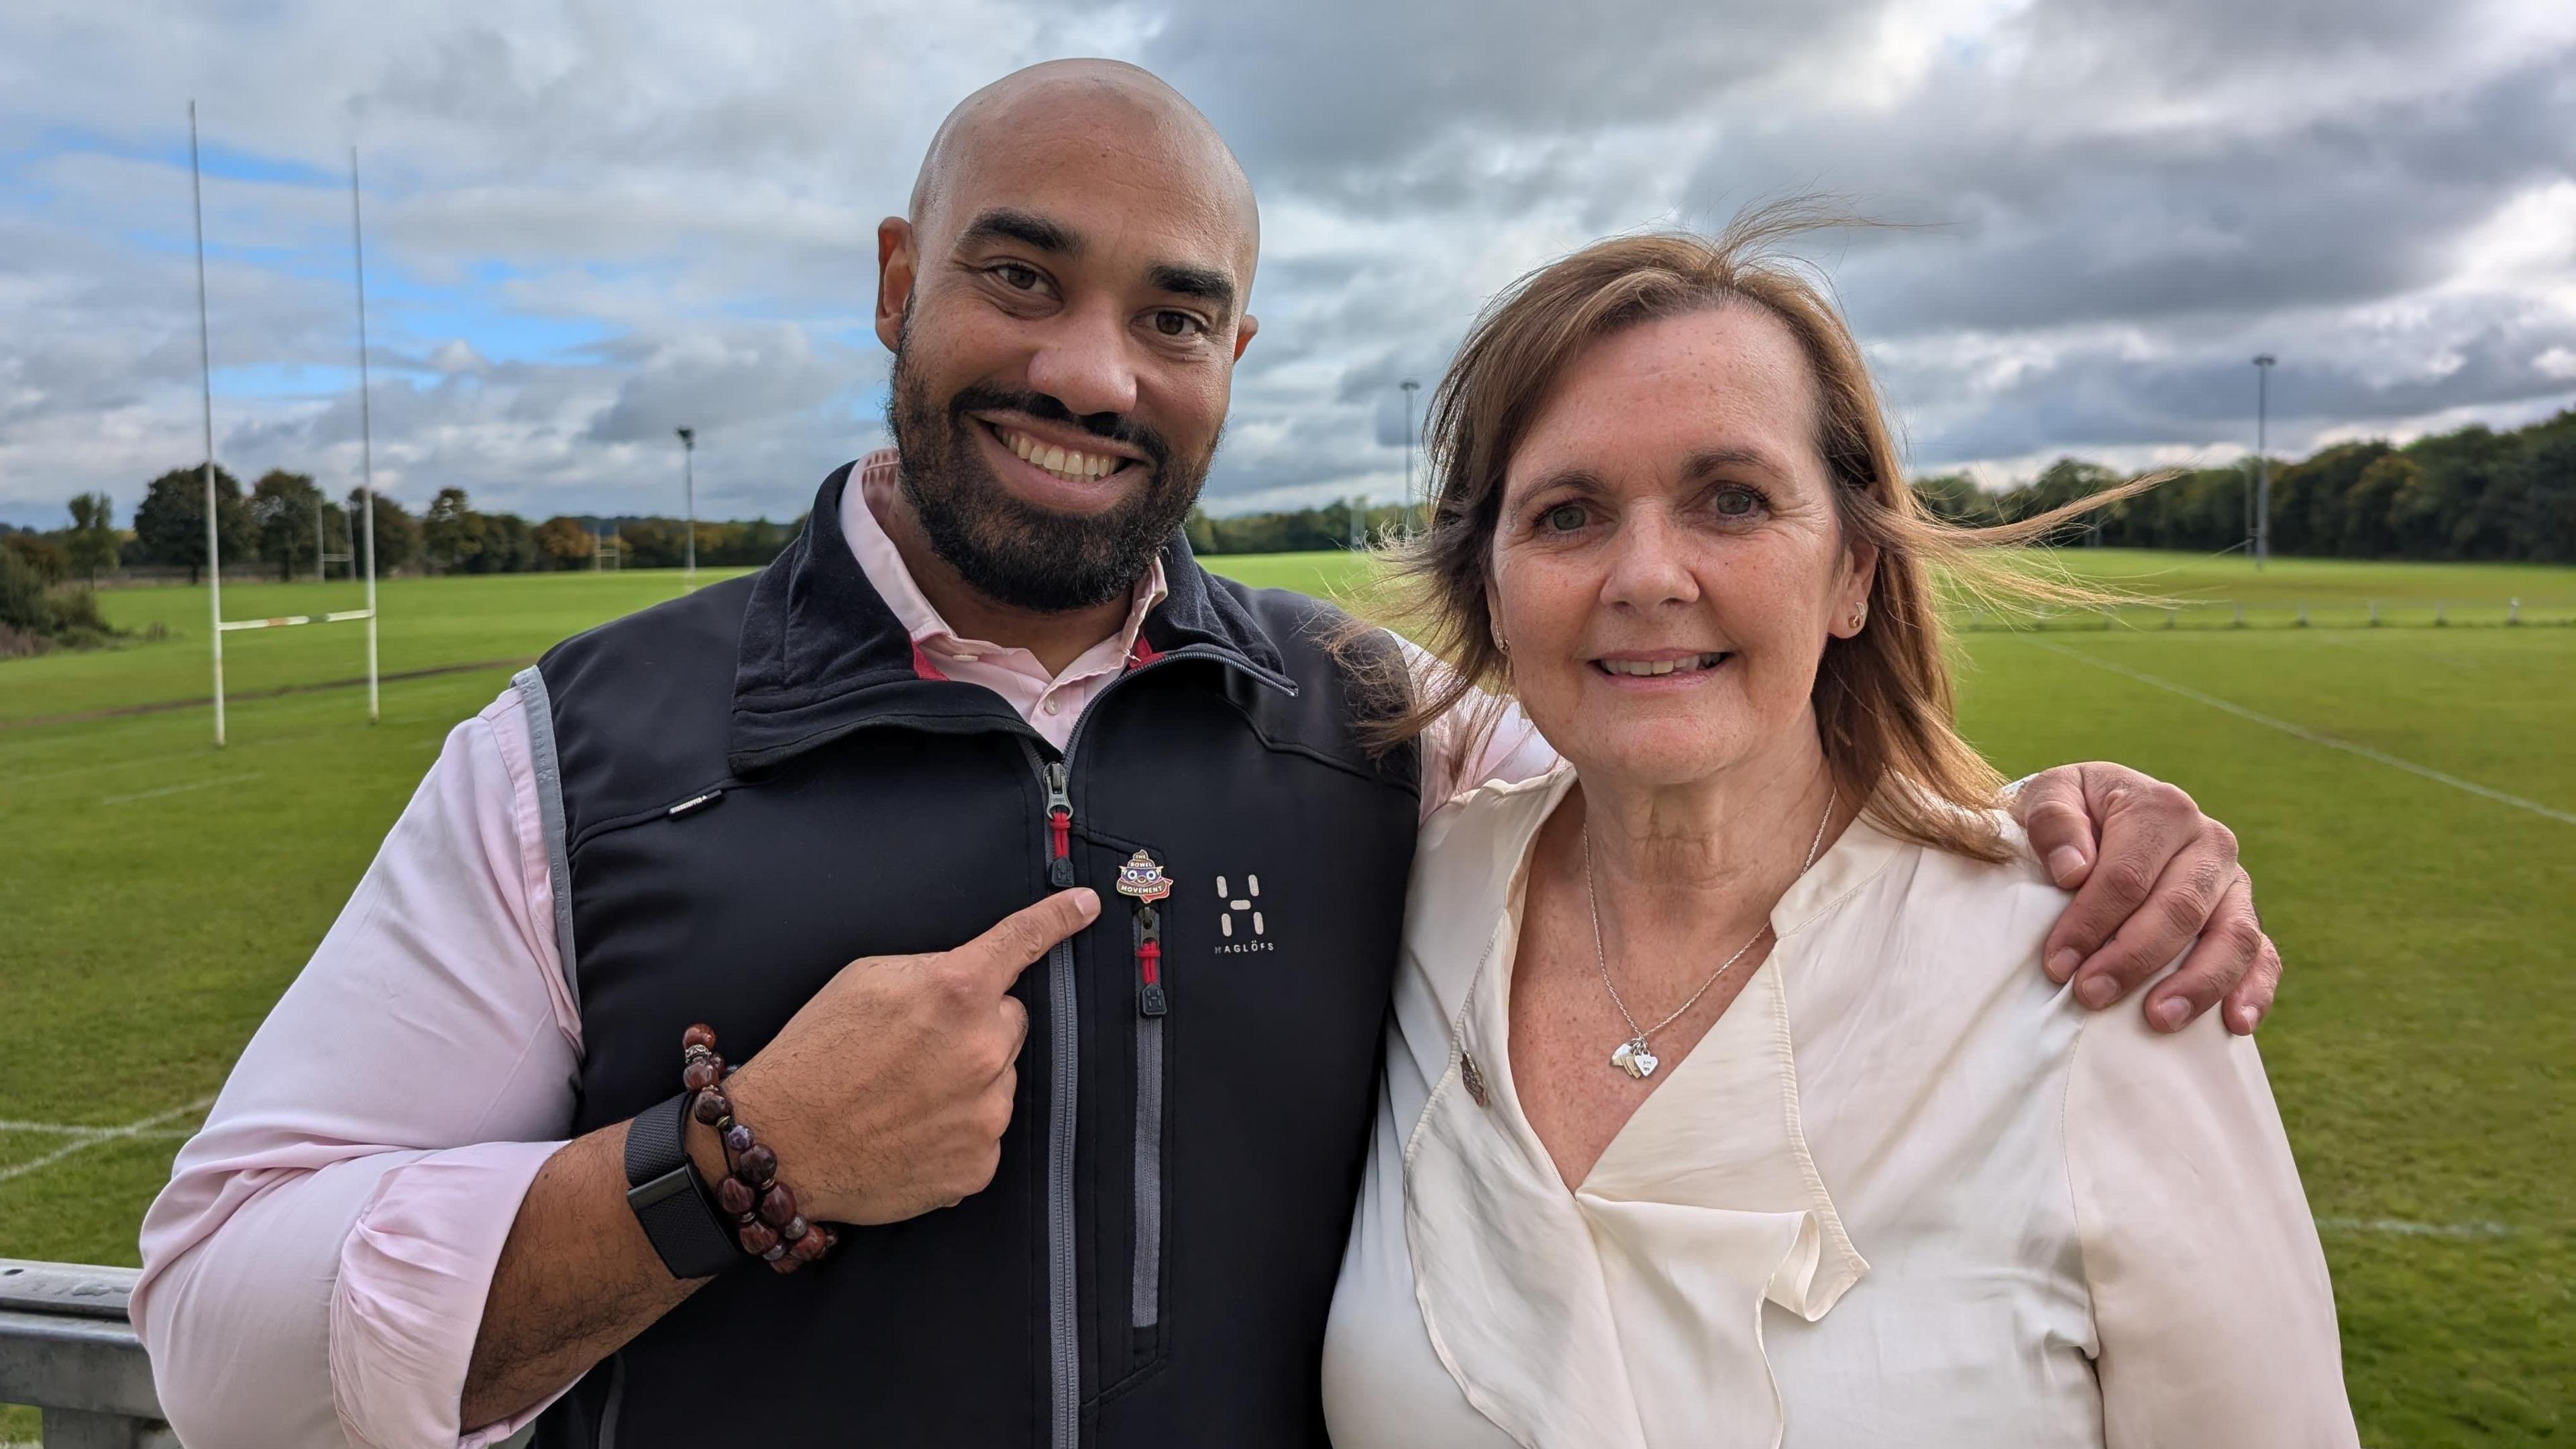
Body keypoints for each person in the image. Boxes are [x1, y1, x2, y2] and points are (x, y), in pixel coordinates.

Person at [133, 64, 2280, 1449]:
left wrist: (2065, 825)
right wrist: (731, 1168)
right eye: (1019, 277)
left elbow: (1718, 772)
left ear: (1232, 356)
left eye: (1169, 313)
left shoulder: (1381, 744)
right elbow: (217, 1338)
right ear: (898, 282)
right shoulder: (575, 759)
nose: (1090, 366)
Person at [1320, 218, 2356, 1448]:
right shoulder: (1404, 888)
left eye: (1733, 500)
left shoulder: (2098, 976)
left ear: (1856, 571)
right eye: (1567, 515)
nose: (1647, 574)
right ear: (1488, 581)